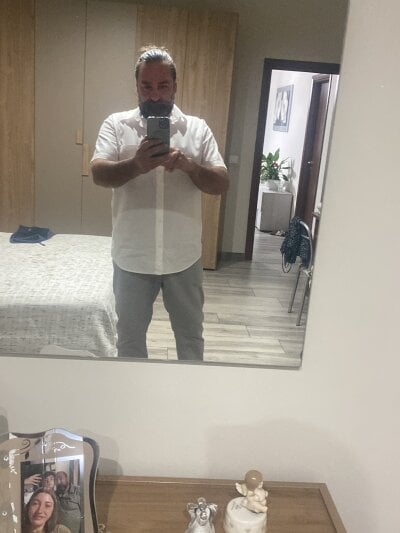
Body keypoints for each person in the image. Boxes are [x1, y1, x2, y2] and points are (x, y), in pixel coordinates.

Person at [91, 45, 229, 361]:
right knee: (129, 342)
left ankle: (188, 391)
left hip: (184, 257)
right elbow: (98, 173)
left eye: (163, 86)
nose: (154, 95)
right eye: (146, 86)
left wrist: (190, 167)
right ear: (136, 87)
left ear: (175, 86)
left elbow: (221, 183)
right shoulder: (116, 125)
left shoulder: (197, 129)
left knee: (190, 340)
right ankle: (135, 391)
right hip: (132, 257)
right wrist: (136, 164)